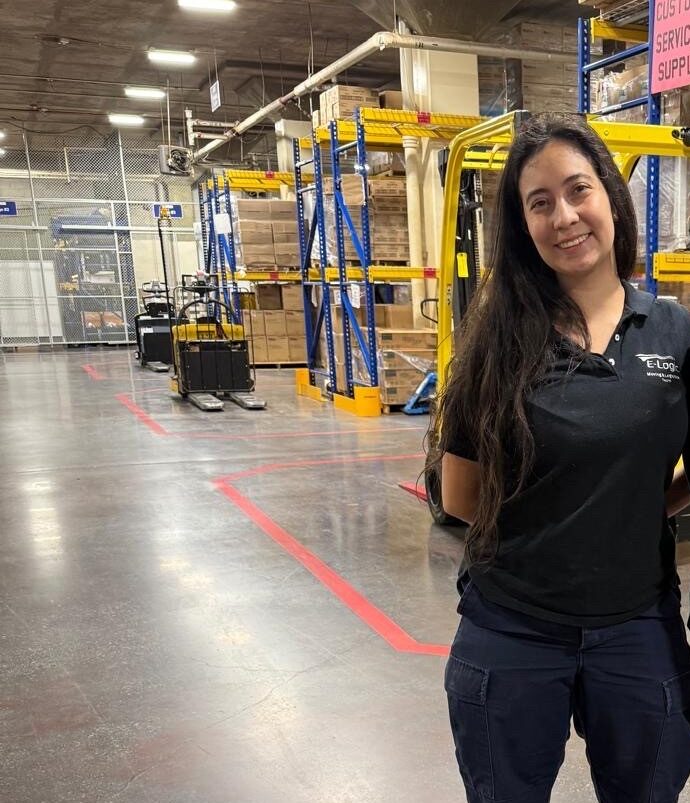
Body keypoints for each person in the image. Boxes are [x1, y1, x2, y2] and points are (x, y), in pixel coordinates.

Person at [437, 112, 690, 802]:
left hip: (638, 626)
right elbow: (460, 495)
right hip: (512, 629)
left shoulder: (674, 332)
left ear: (610, 194)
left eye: (578, 190)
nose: (564, 216)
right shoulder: (494, 343)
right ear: (523, 226)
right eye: (539, 202)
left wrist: (643, 507)